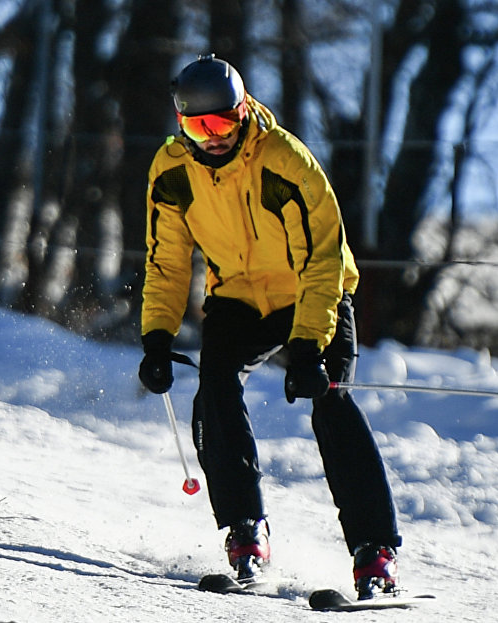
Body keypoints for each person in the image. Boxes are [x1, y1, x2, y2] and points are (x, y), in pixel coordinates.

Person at [136, 55, 404, 600]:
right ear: (180, 122)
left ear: (242, 112)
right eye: (196, 126)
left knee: (331, 398)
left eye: (222, 123)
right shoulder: (170, 173)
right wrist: (157, 338)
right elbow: (166, 263)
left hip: (312, 293)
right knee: (214, 387)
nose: (211, 137)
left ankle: (374, 552)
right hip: (237, 295)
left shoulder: (285, 163)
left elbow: (323, 263)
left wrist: (307, 348)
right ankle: (245, 533)